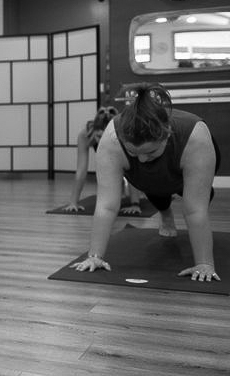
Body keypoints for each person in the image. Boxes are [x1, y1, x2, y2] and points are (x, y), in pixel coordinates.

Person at [73, 84, 221, 282]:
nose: (142, 159)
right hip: (153, 179)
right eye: (133, 152)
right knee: (151, 179)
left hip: (190, 158)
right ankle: (165, 212)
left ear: (167, 134)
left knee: (194, 200)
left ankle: (199, 190)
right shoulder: (111, 139)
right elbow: (106, 205)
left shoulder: (195, 136)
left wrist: (205, 264)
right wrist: (95, 256)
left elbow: (195, 211)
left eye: (150, 152)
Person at [63, 105, 143, 213]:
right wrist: (73, 202)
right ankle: (120, 193)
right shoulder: (85, 135)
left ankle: (135, 194)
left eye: (107, 135)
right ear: (93, 131)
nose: (104, 140)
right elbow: (81, 170)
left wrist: (135, 204)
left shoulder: (125, 133)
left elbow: (133, 167)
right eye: (100, 136)